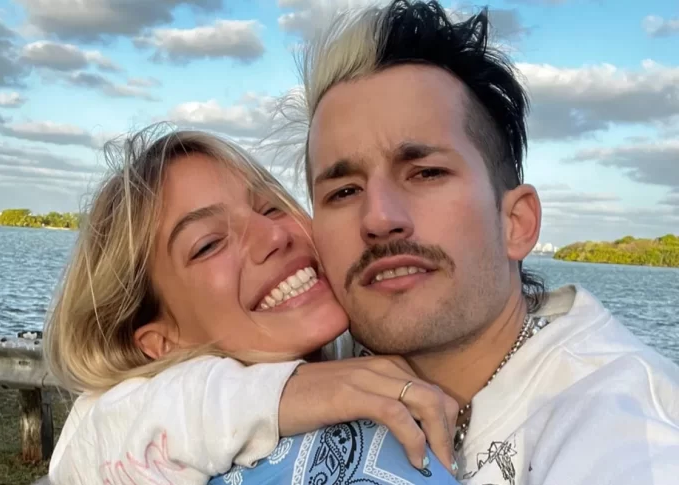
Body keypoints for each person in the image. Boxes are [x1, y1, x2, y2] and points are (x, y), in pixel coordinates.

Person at [259, 0, 679, 483]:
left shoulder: (622, 422)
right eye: (344, 192)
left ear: (516, 222)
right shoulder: (317, 359)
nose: (378, 218)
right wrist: (273, 398)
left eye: (426, 173)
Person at [45, 126, 460, 484]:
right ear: (161, 341)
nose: (274, 236)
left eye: (271, 207)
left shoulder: (376, 333)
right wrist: (278, 394)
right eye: (209, 244)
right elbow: (90, 445)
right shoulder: (140, 418)